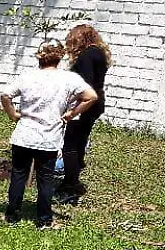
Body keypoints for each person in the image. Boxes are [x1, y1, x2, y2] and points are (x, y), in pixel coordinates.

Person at [0, 41, 99, 229]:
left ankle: (12, 215)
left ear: (39, 57)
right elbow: (91, 96)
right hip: (49, 138)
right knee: (46, 179)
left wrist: (13, 114)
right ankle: (44, 220)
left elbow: (6, 95)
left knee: (18, 175)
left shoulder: (27, 76)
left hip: (24, 135)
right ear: (60, 57)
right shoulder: (69, 79)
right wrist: (71, 113)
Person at [57, 25, 112, 204]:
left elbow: (85, 83)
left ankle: (70, 188)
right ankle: (72, 181)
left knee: (70, 146)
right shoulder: (98, 52)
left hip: (86, 104)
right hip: (95, 103)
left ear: (80, 38)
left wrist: (74, 108)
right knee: (79, 143)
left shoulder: (88, 55)